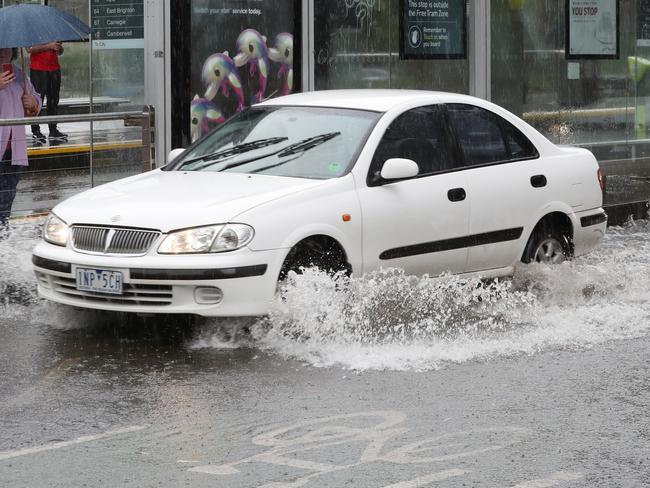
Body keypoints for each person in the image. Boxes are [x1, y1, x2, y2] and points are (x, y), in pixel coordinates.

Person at [0, 48, 41, 228]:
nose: (2, 50)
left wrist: (33, 102)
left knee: (6, 200)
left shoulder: (19, 74)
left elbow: (34, 104)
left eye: (7, 46)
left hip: (13, 150)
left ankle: (3, 243)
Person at [28, 41, 66, 143]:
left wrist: (59, 48)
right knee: (37, 100)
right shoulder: (32, 28)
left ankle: (53, 130)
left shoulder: (53, 30)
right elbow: (30, 49)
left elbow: (60, 52)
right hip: (38, 69)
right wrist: (49, 46)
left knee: (54, 100)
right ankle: (36, 131)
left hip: (54, 68)